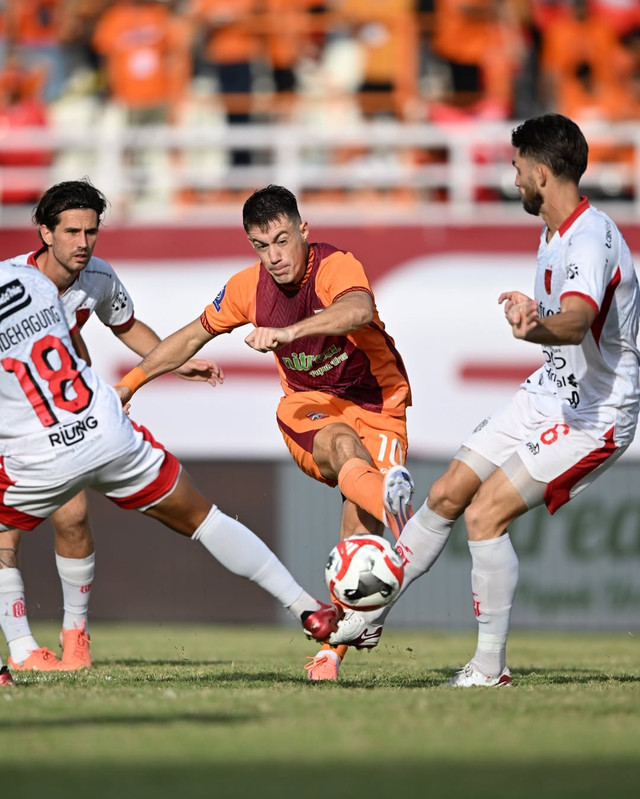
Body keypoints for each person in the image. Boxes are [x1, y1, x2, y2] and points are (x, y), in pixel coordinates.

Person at [327, 113, 640, 687]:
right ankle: (371, 612)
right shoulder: (554, 233)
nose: (512, 178)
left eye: (518, 167)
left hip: (596, 414)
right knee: (447, 492)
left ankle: (490, 668)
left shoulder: (589, 237)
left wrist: (537, 326)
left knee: (485, 513)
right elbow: (574, 316)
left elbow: (576, 322)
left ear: (542, 173)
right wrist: (535, 309)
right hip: (551, 392)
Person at [113, 184, 415, 682]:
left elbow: (359, 310)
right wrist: (129, 384)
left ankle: (334, 650)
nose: (273, 256)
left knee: (358, 538)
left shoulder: (336, 265)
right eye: (260, 246)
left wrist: (290, 332)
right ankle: (396, 510)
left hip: (379, 401)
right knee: (344, 447)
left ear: (303, 230)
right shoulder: (247, 288)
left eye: (281, 240)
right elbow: (191, 336)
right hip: (309, 405)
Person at [0, 257, 342, 688]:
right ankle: (306, 606)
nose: (83, 243)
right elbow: (71, 351)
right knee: (204, 518)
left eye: (89, 231)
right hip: (103, 425)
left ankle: (21, 653)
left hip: (41, 444)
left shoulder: (65, 276)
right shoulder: (33, 281)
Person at [0, 178, 220, 673]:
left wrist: (175, 362)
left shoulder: (97, 278)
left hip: (53, 417)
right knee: (6, 532)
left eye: (91, 231)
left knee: (74, 515)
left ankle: (75, 637)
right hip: (11, 416)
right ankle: (21, 648)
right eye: (71, 231)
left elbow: (125, 325)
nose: (83, 242)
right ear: (45, 233)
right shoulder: (10, 281)